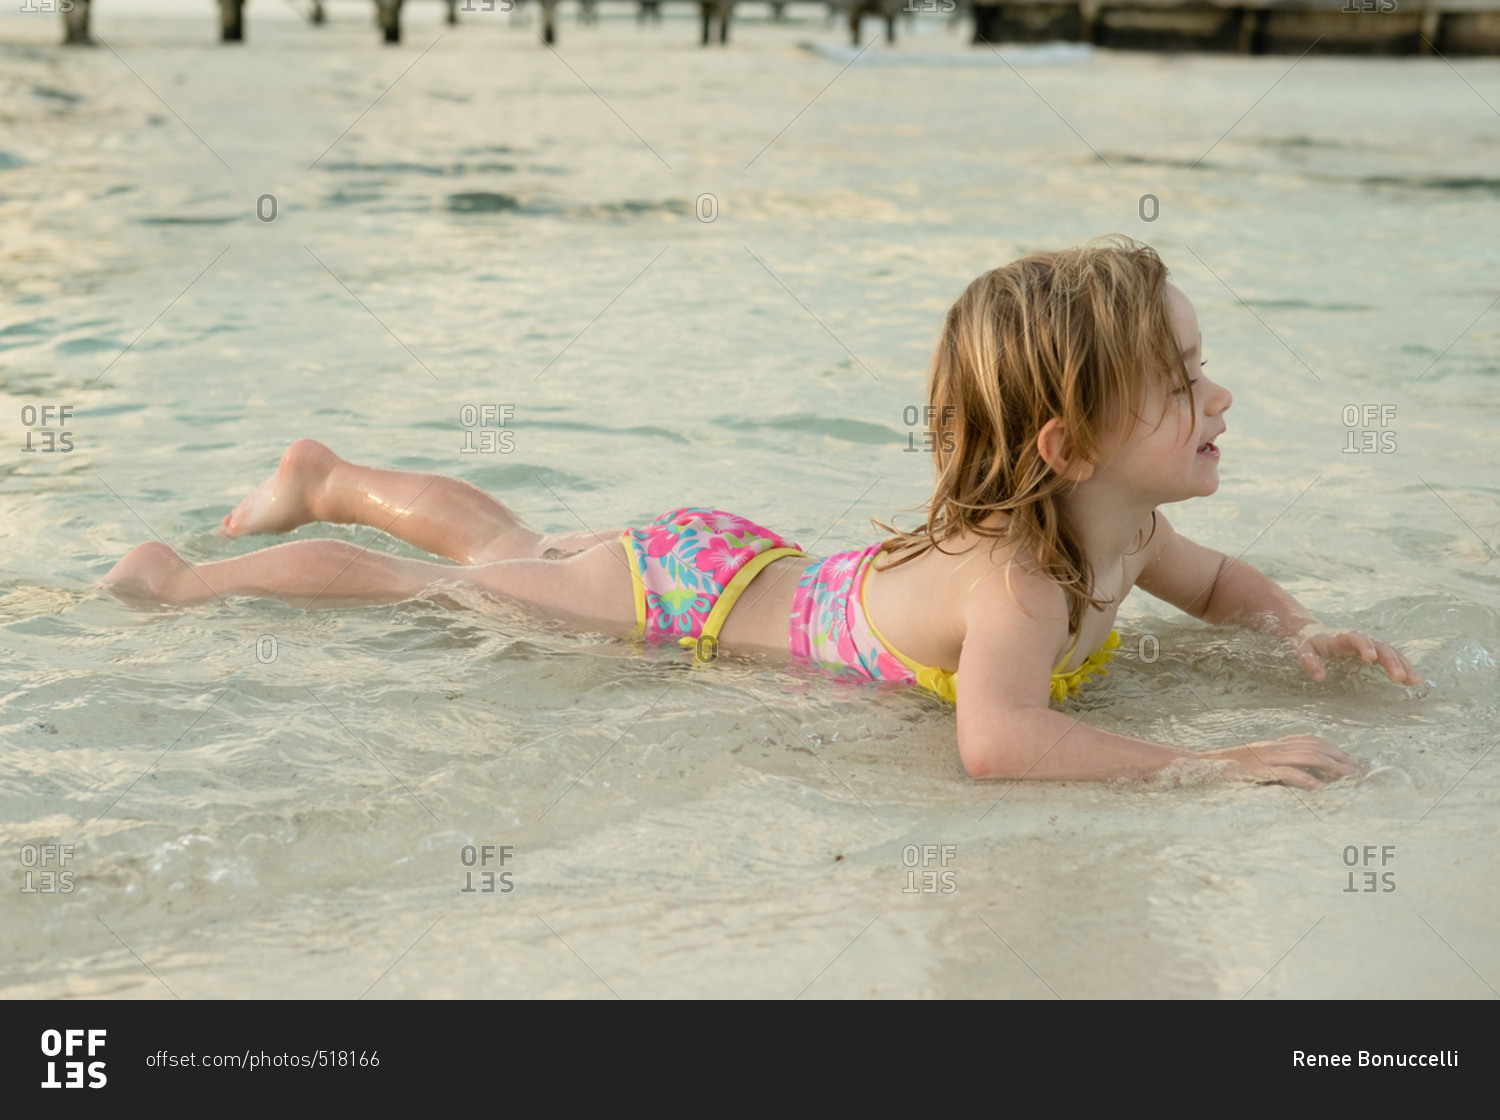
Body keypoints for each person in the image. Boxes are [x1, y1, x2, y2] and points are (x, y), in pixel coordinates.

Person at [104, 237, 1421, 788]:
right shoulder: (1018, 579)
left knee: (514, 549)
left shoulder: (1128, 530)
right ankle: (187, 578)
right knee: (464, 588)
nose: (1222, 394)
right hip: (696, 600)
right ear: (1066, 446)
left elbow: (1222, 582)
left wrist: (1299, 631)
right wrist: (1208, 768)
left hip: (751, 565)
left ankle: (326, 473)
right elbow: (1001, 745)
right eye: (1182, 383)